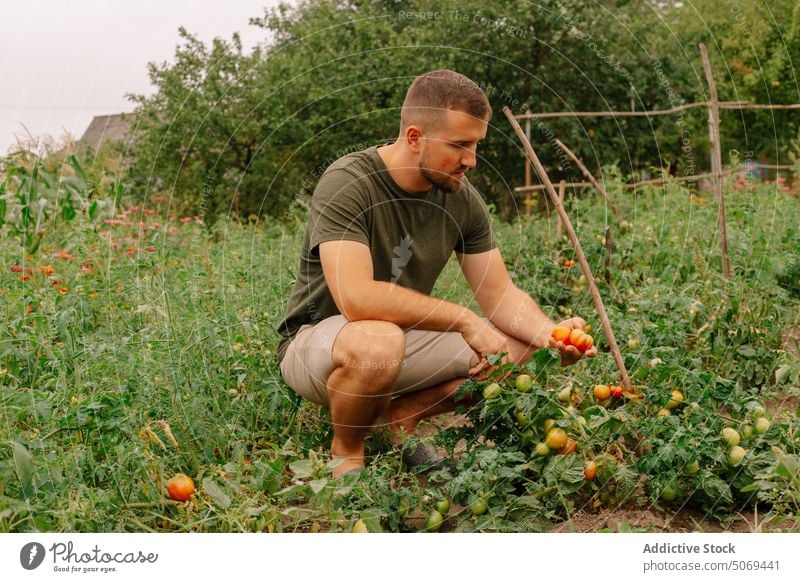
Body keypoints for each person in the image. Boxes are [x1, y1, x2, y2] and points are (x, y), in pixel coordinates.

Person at [276, 70, 596, 477]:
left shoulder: (462, 199)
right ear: (414, 138)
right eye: (459, 145)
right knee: (379, 342)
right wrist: (463, 320)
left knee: (522, 348)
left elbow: (499, 295)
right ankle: (348, 449)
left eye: (476, 144)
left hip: (397, 340)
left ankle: (405, 414)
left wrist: (552, 336)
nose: (471, 160)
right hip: (318, 345)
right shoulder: (349, 181)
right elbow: (356, 299)